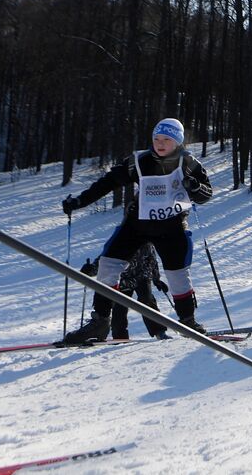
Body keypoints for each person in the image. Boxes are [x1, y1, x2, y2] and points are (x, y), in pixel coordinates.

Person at [58, 118, 213, 344]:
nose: (160, 144)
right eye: (156, 139)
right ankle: (100, 321)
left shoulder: (188, 162)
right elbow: (108, 182)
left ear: (177, 142)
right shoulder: (139, 161)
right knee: (108, 264)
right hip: (137, 226)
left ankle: (188, 322)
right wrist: (80, 201)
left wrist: (196, 188)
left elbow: (207, 194)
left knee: (178, 276)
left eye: (166, 140)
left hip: (172, 228)